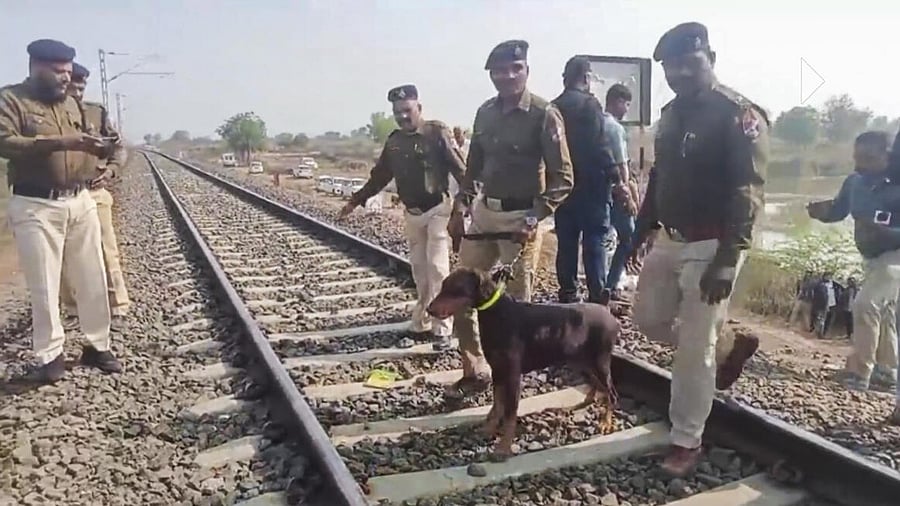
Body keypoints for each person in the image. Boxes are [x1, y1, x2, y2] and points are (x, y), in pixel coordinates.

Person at [628, 22, 769, 476]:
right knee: (647, 319)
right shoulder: (670, 114)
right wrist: (642, 226)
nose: (681, 74)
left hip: (714, 242)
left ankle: (686, 440)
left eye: (690, 64)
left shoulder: (737, 114)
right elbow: (660, 177)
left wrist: (728, 259)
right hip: (670, 237)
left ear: (710, 58)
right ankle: (727, 348)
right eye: (672, 67)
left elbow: (748, 190)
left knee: (692, 345)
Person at [447, 39, 574, 396]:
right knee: (460, 292)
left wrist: (534, 220)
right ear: (492, 75)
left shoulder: (544, 114)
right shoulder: (485, 112)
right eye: (500, 70)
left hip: (522, 218)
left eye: (515, 69)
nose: (507, 76)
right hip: (486, 214)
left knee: (517, 305)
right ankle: (474, 368)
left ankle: (513, 376)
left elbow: (563, 179)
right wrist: (461, 206)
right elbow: (473, 169)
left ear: (526, 72)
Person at [0, 39, 121, 383]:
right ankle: (50, 355)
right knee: (45, 282)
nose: (66, 79)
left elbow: (90, 137)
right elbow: (5, 142)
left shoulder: (73, 104)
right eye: (58, 72)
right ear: (37, 68)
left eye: (68, 72)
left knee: (92, 277)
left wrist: (102, 151)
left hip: (80, 200)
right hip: (36, 205)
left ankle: (98, 345)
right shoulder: (11, 100)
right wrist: (62, 143)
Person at [339, 84, 465, 348]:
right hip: (412, 214)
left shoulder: (436, 132)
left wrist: (464, 206)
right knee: (420, 271)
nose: (403, 116)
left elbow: (460, 169)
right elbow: (380, 176)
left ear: (418, 108)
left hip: (439, 210)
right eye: (398, 112)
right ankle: (422, 320)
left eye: (407, 110)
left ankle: (443, 329)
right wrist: (355, 200)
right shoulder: (395, 142)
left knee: (438, 268)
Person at [807, 131, 900, 391]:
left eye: (868, 159)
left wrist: (885, 232)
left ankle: (860, 372)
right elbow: (839, 209)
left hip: (895, 256)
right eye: (857, 158)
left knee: (865, 304)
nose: (860, 165)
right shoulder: (854, 182)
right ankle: (886, 371)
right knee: (886, 312)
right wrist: (821, 213)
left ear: (889, 156)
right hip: (870, 256)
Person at [59, 62, 130, 332]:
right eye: (72, 85)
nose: (77, 90)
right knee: (65, 256)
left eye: (81, 86)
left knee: (105, 250)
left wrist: (111, 171)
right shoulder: (51, 114)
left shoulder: (95, 113)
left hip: (94, 192)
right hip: (61, 194)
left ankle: (118, 307)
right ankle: (73, 309)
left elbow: (117, 148)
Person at [551, 56, 618, 303]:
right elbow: (601, 145)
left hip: (563, 187)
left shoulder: (554, 106)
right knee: (595, 242)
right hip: (593, 187)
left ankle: (568, 293)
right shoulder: (590, 105)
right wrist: (616, 176)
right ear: (587, 77)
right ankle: (597, 295)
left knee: (566, 243)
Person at [603, 83, 639, 299]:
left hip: (597, 192)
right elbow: (621, 163)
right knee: (629, 237)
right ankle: (612, 283)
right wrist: (628, 196)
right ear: (617, 101)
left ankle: (600, 284)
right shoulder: (615, 128)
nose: (626, 109)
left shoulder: (595, 122)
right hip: (616, 191)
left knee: (601, 239)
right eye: (626, 104)